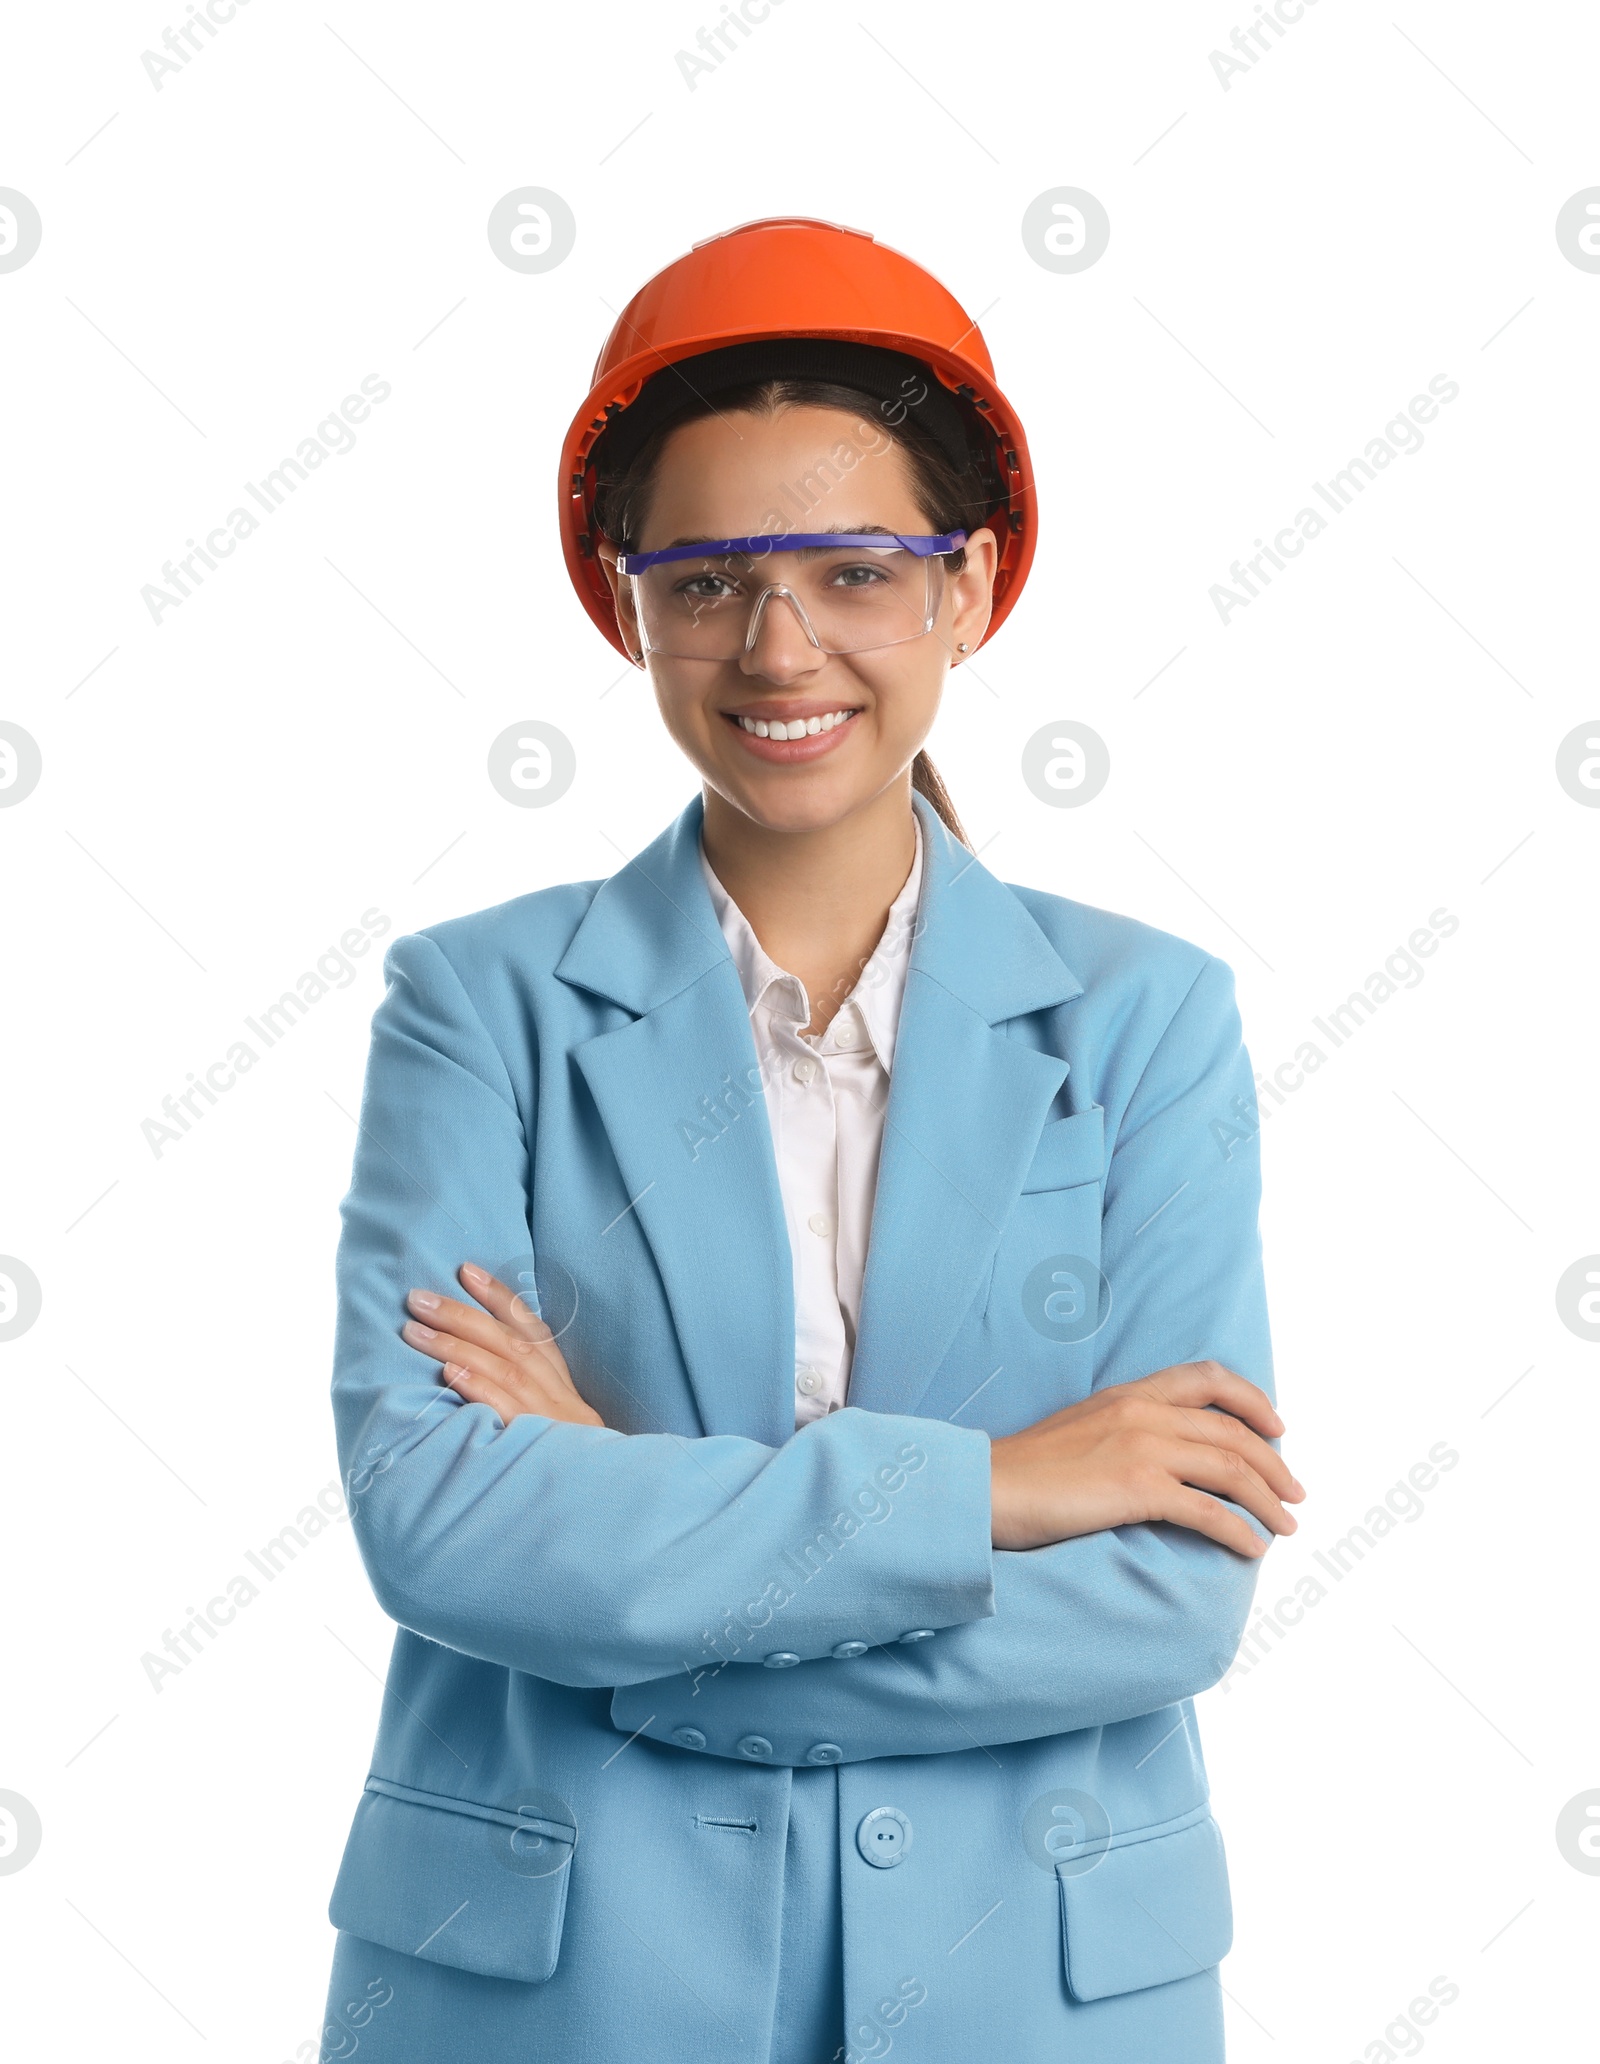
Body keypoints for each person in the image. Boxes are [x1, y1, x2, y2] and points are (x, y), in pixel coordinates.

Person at [319, 216, 1302, 2064]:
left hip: (1030, 1983)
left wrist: (631, 1566)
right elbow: (440, 1520)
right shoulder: (479, 1007)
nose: (780, 649)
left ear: (969, 583)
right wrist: (995, 1492)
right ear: (630, 605)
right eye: (707, 581)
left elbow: (1169, 1587)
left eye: (857, 569)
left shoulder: (1148, 1021)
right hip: (560, 1987)